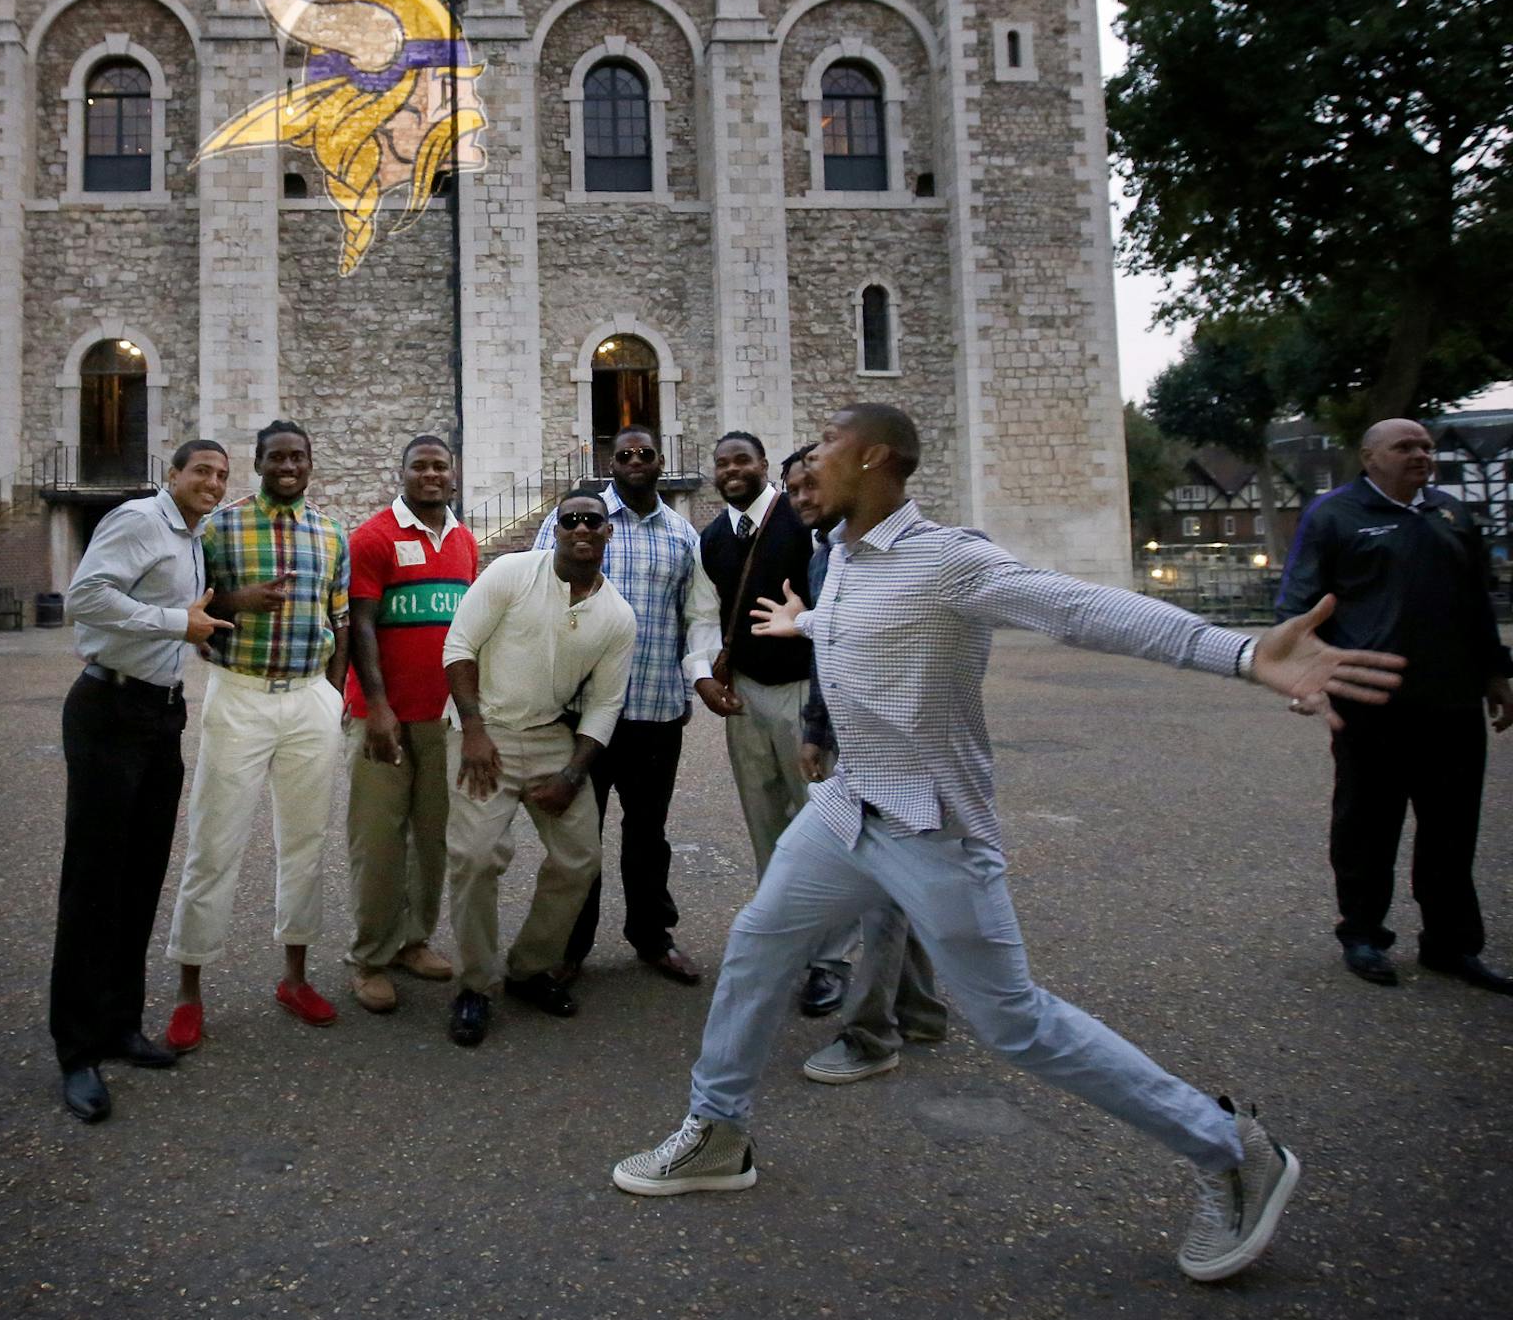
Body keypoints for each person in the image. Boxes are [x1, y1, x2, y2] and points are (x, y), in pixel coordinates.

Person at [610, 403, 1407, 1287]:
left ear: (875, 458)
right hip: (845, 810)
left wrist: (1242, 651)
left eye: (825, 447)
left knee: (1013, 1020)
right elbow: (867, 630)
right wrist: (806, 624)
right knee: (759, 943)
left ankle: (1231, 1149)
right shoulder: (843, 559)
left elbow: (1078, 608)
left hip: (932, 827)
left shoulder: (953, 560)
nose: (806, 467)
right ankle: (717, 1131)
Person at [1274, 417, 1513, 993]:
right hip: (1371, 700)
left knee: (1452, 829)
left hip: (1452, 700)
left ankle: (1451, 944)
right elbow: (1301, 603)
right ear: (1368, 456)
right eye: (1405, 446)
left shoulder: (1452, 513)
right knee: (1367, 822)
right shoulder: (1334, 515)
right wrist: (1302, 672)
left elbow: (1477, 599)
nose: (1421, 454)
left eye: (1427, 446)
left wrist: (1497, 673)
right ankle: (1362, 934)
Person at [50, 438, 235, 1123]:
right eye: (202, 472)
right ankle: (76, 1053)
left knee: (139, 879)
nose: (212, 483)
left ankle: (120, 1027)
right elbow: (85, 598)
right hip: (108, 707)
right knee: (94, 883)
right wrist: (173, 621)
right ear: (173, 474)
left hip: (160, 712)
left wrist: (193, 631)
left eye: (221, 475)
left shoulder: (191, 539)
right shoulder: (137, 519)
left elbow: (177, 617)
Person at [163, 420, 352, 1049]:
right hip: (240, 693)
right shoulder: (220, 528)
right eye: (276, 457)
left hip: (308, 700)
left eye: (298, 456)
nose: (288, 466)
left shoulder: (330, 532)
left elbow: (341, 617)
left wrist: (332, 689)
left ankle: (294, 977)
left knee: (305, 841)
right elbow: (196, 611)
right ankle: (189, 992)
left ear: (310, 462)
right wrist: (238, 602)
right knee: (213, 842)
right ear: (260, 463)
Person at [443, 489, 637, 1045]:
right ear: (555, 528)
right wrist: (474, 732)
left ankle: (529, 969)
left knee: (580, 858)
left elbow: (604, 704)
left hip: (553, 736)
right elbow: (459, 647)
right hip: (486, 730)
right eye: (571, 519)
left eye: (593, 521)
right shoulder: (511, 572)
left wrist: (574, 775)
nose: (582, 528)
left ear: (607, 533)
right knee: (475, 858)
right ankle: (475, 986)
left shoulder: (616, 615)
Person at [781, 444, 947, 1085]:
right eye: (793, 488)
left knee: (880, 892)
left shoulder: (917, 549)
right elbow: (833, 655)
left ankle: (873, 1034)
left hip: (899, 745)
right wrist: (820, 728)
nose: (802, 498)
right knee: (893, 884)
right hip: (862, 740)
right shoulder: (831, 556)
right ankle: (922, 1011)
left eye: (811, 484)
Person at [531, 425, 710, 987]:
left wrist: (688, 685)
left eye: (645, 454)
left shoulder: (683, 535)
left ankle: (651, 936)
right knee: (581, 839)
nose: (635, 461)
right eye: (625, 454)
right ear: (611, 461)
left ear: (660, 462)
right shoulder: (573, 520)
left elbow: (696, 616)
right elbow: (537, 599)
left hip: (654, 709)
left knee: (648, 834)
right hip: (582, 715)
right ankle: (569, 944)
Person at [687, 431, 854, 1016]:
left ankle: (831, 960)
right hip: (748, 697)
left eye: (743, 460)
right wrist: (705, 674)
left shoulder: (805, 521)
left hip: (805, 691)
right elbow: (705, 613)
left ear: (763, 465)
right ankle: (788, 943)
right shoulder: (713, 538)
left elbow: (845, 596)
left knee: (823, 827)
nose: (731, 470)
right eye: (722, 462)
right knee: (766, 828)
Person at [342, 433, 477, 1013]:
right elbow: (362, 626)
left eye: (439, 466)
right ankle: (370, 956)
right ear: (401, 474)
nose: (430, 475)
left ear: (453, 475)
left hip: (440, 718)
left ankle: (413, 940)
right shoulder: (372, 538)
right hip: (383, 719)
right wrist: (376, 707)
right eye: (418, 466)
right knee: (377, 841)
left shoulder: (467, 542)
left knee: (432, 839)